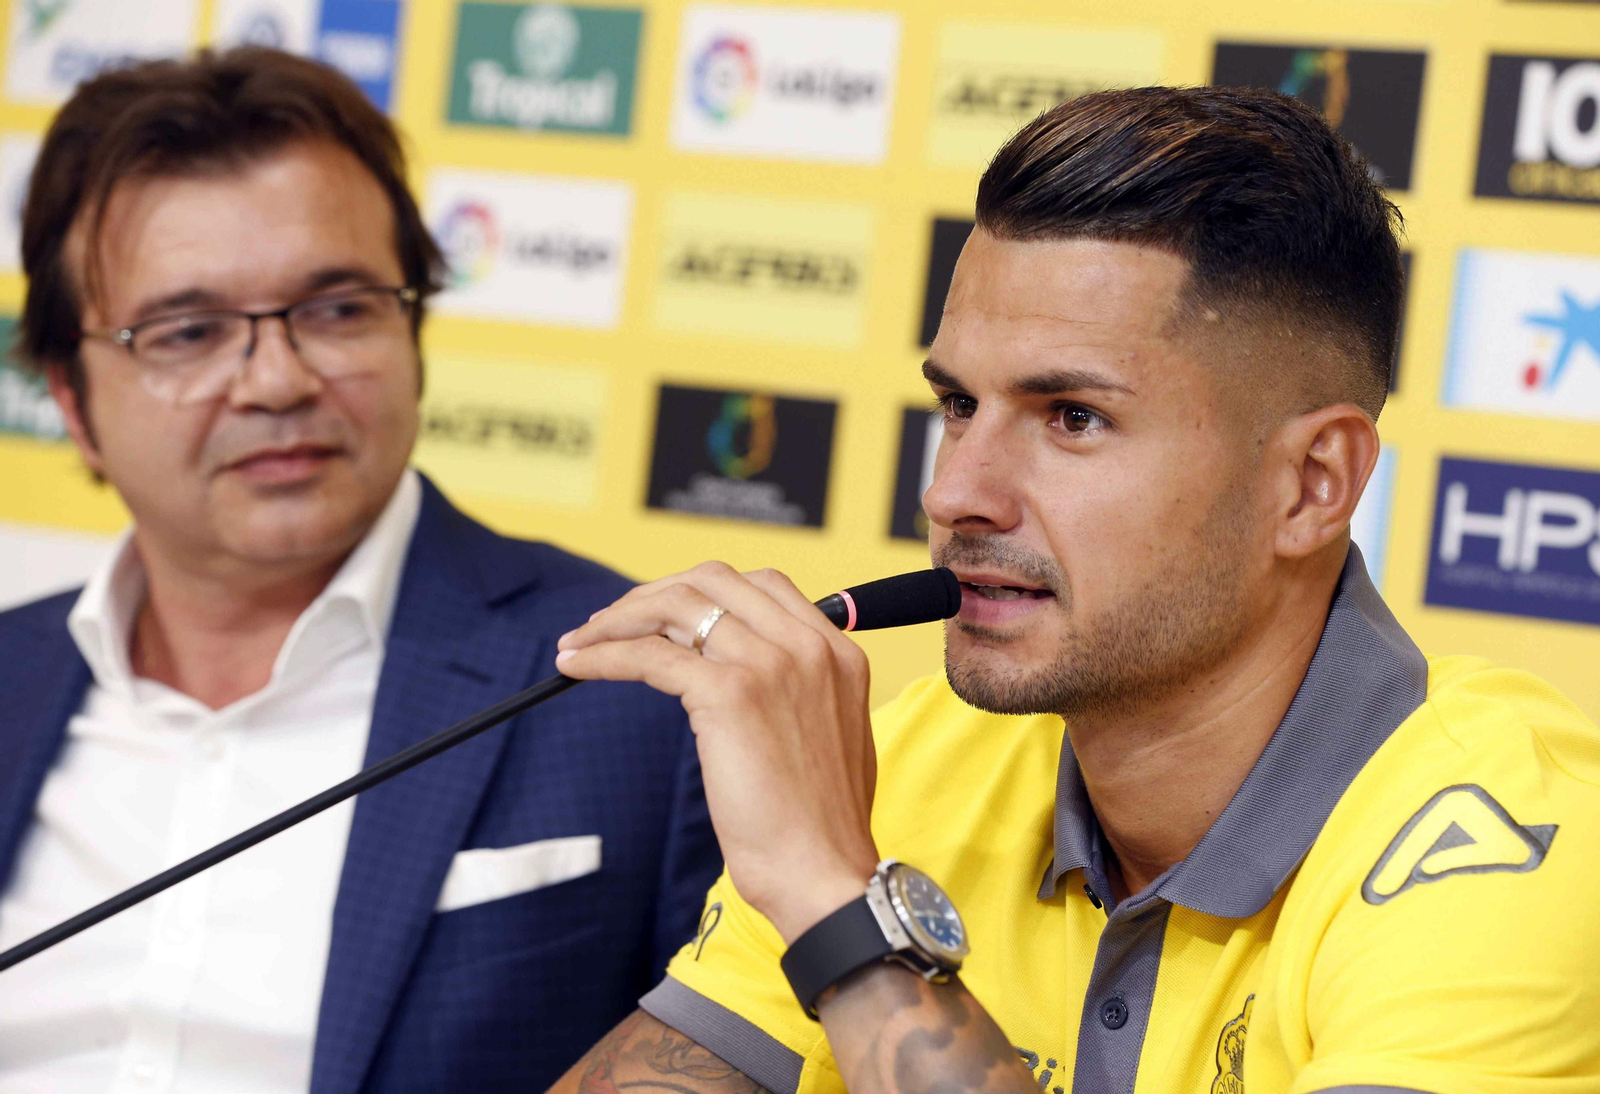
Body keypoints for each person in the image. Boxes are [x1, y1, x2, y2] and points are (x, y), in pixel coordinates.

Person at [549, 86, 1600, 1093]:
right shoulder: (904, 761)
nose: (954, 492)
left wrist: (838, 901)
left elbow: (830, 895)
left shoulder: (1514, 843)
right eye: (960, 405)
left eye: (1072, 418)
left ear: (1311, 484)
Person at [0, 48, 720, 1093]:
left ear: (412, 330)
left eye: (338, 309)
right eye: (189, 331)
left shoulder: (634, 683)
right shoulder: (11, 679)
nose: (276, 380)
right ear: (71, 399)